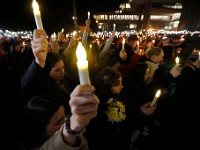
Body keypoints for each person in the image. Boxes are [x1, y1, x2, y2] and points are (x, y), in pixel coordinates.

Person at [85, 67, 156, 150]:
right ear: (107, 86)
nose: (122, 86)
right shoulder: (107, 106)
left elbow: (129, 111)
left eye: (121, 83)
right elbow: (122, 127)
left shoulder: (119, 94)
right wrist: (141, 113)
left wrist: (140, 110)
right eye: (117, 84)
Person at [18, 84, 99, 150]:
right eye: (58, 122)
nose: (65, 122)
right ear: (41, 129)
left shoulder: (75, 134)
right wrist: (72, 129)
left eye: (65, 116)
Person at [19, 29, 77, 112]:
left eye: (63, 68)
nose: (62, 72)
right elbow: (27, 88)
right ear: (47, 72)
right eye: (57, 70)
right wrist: (39, 61)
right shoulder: (45, 89)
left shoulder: (66, 80)